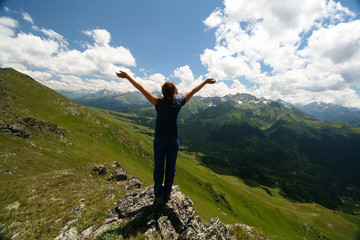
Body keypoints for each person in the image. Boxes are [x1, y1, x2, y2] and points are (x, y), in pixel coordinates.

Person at [116, 70, 216, 204]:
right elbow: (193, 91)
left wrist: (127, 77)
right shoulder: (179, 103)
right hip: (173, 141)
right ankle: (167, 193)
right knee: (170, 168)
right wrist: (205, 82)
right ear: (174, 91)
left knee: (158, 168)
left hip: (159, 141)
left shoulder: (157, 102)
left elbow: (141, 88)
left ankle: (158, 195)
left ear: (163, 92)